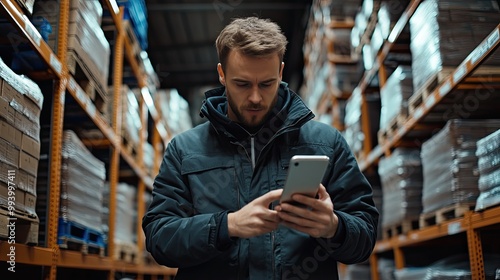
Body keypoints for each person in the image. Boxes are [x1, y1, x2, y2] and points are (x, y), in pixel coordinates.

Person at [142, 16, 379, 280]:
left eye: (266, 84)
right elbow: (159, 237)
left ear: (280, 72)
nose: (255, 97)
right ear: (222, 74)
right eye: (242, 84)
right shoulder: (184, 150)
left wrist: (334, 227)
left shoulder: (326, 143)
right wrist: (227, 225)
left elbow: (366, 235)